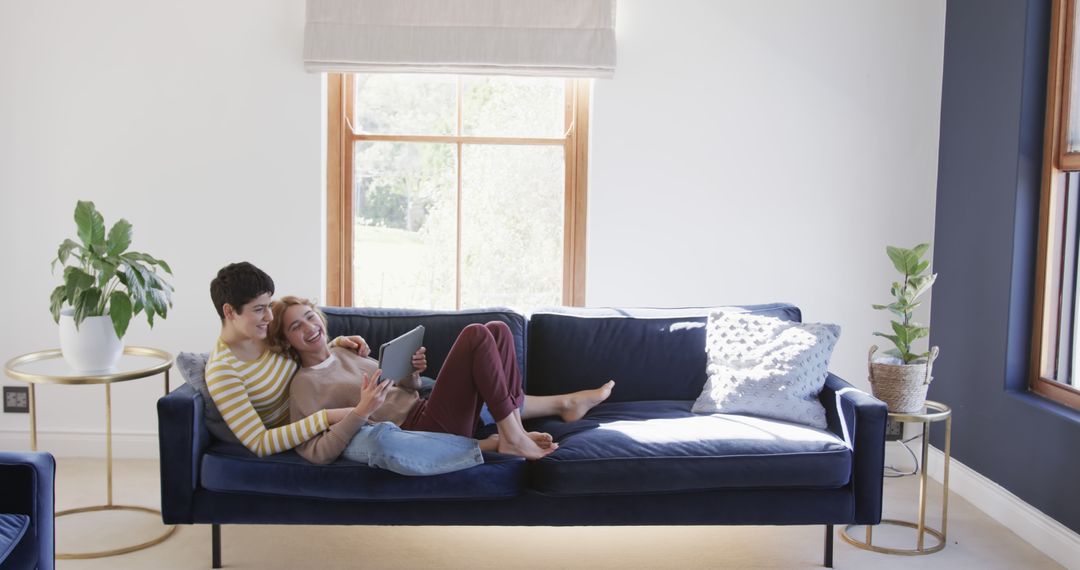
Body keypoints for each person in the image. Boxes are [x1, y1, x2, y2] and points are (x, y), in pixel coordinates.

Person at [272, 296, 615, 462]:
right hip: (415, 431)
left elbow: (399, 391)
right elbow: (315, 453)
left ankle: (516, 433)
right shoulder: (303, 386)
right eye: (295, 326)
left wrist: (412, 372)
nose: (309, 327)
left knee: (497, 329)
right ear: (287, 340)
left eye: (309, 316)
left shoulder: (347, 351)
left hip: (426, 408)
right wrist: (359, 412)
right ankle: (512, 436)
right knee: (476, 334)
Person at [204, 262, 369, 457]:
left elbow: (303, 347)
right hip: (319, 434)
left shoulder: (265, 334)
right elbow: (260, 442)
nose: (269, 316)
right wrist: (326, 418)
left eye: (269, 306)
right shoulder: (223, 370)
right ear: (229, 311)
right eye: (259, 309)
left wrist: (338, 344)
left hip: (335, 402)